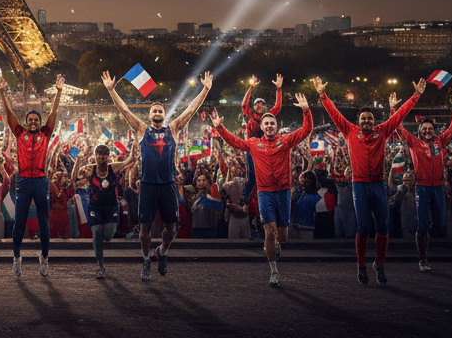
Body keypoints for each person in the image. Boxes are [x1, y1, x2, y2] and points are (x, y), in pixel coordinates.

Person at [101, 69, 213, 281]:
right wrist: (111, 91)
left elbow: (191, 109)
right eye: (154, 111)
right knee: (144, 227)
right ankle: (145, 259)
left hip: (168, 184)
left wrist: (205, 89)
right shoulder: (142, 129)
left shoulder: (173, 128)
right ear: (150, 115)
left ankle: (161, 252)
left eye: (160, 110)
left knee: (171, 228)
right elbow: (124, 110)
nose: (157, 113)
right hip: (148, 185)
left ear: (164, 114)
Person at [316, 75, 425, 285]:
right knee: (364, 227)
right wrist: (322, 95)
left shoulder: (382, 131)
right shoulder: (349, 131)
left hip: (378, 184)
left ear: (374, 121)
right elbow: (335, 114)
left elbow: (400, 115)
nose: (366, 121)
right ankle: (361, 265)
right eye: (363, 118)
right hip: (359, 185)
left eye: (370, 118)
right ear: (358, 121)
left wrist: (415, 97)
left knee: (382, 227)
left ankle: (380, 265)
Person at [211, 92, 314, 287]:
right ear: (261, 127)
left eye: (272, 123)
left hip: (283, 192)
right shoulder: (253, 143)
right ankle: (274, 271)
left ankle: (276, 244)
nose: (268, 126)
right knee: (269, 231)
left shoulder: (286, 140)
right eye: (265, 123)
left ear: (276, 126)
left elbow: (306, 129)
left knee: (282, 237)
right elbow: (234, 141)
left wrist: (306, 110)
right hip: (264, 193)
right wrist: (220, 128)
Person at [0, 72, 63, 278]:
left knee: (44, 222)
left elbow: (54, 111)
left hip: (40, 181)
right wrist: (2, 92)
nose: (33, 122)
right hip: (23, 180)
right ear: (26, 121)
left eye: (36, 120)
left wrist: (59, 92)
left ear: (40, 122)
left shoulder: (45, 133)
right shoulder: (19, 133)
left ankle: (44, 257)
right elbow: (8, 112)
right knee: (20, 221)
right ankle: (16, 257)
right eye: (30, 120)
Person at [392, 89, 452, 270]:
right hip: (422, 188)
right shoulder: (414, 143)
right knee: (422, 225)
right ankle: (422, 258)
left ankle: (424, 236)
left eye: (430, 129)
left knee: (439, 225)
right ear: (420, 131)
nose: (428, 131)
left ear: (434, 130)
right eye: (425, 129)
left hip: (438, 187)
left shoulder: (441, 141)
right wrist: (393, 109)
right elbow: (398, 128)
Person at [79, 143, 137, 278]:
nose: (101, 157)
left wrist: (134, 148)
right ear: (95, 156)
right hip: (95, 206)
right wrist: (77, 162)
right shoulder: (89, 170)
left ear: (107, 156)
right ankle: (100, 264)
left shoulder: (114, 168)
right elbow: (75, 176)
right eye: (99, 154)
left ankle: (104, 245)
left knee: (108, 236)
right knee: (97, 231)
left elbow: (129, 160)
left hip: (111, 206)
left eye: (104, 154)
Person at [239, 75, 283, 201]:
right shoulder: (250, 115)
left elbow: (278, 106)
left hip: (265, 149)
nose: (259, 106)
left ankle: (266, 198)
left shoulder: (267, 117)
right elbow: (243, 105)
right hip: (252, 150)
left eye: (262, 104)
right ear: (253, 106)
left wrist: (279, 89)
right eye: (257, 104)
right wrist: (251, 88)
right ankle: (244, 200)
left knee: (265, 175)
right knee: (252, 177)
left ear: (264, 107)